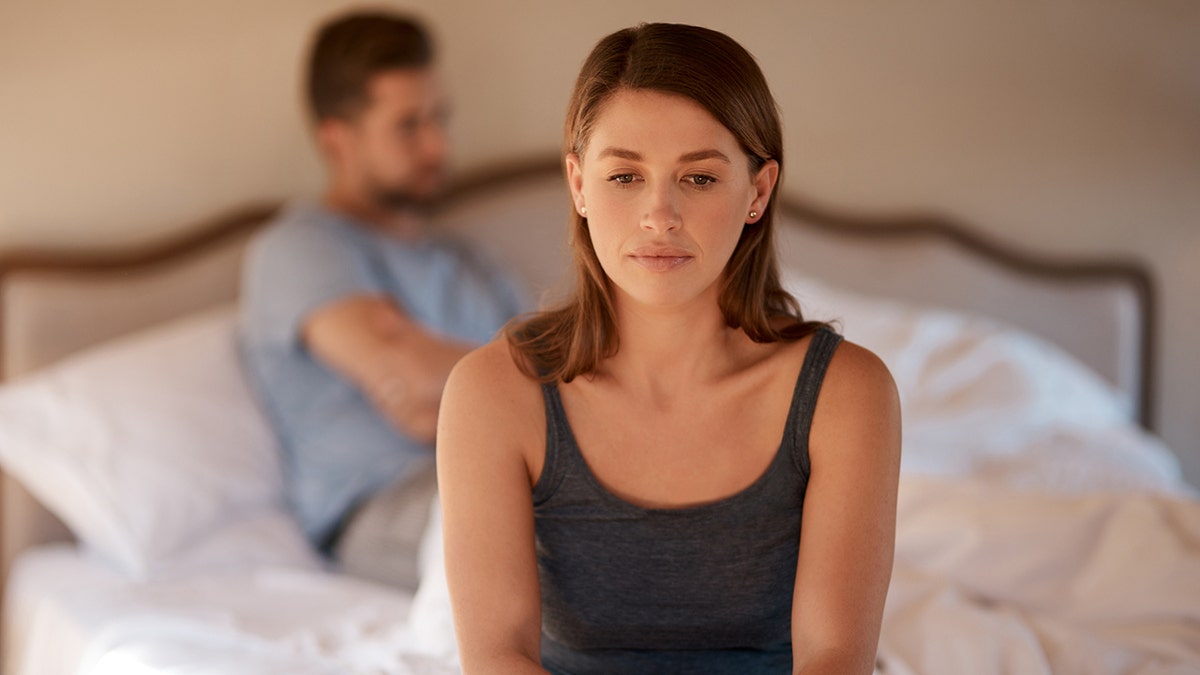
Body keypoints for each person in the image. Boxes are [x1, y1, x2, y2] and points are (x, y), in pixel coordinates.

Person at [437, 22, 902, 675]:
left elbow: (833, 657)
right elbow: (497, 655)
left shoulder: (846, 393)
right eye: (625, 176)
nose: (660, 215)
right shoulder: (493, 392)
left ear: (758, 192)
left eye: (700, 179)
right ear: (578, 183)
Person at [237, 10, 526, 588]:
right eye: (408, 126)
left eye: (439, 118)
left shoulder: (468, 260)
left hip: (510, 470)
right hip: (384, 504)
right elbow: (414, 371)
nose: (437, 144)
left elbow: (568, 374)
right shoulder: (298, 247)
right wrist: (501, 389)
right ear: (337, 140)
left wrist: (451, 401)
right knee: (567, 539)